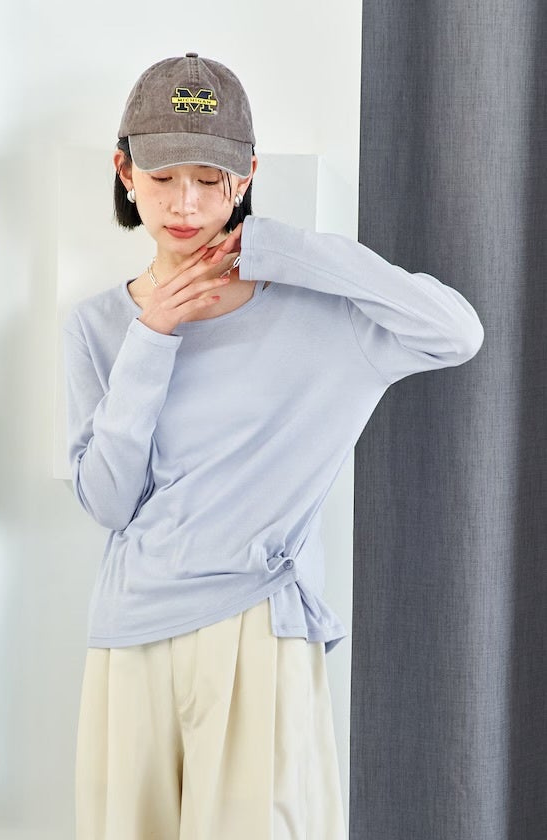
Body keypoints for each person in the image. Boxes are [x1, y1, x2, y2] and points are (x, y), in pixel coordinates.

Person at [63, 53, 484, 840]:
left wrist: (280, 251)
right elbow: (110, 502)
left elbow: (456, 333)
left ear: (246, 178)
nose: (186, 203)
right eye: (163, 178)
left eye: (209, 178)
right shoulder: (97, 327)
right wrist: (152, 337)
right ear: (125, 173)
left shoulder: (325, 322)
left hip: (258, 624)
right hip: (128, 633)